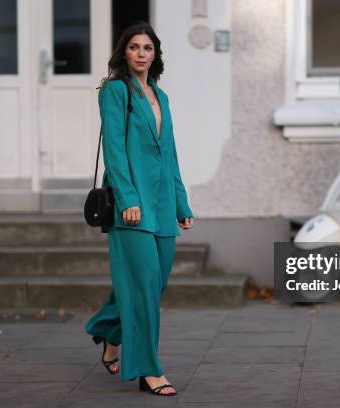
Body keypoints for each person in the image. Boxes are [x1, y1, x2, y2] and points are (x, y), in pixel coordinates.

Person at [84, 21, 194, 397]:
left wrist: (181, 202)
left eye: (148, 47)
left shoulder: (160, 97)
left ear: (155, 54)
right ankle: (149, 369)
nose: (142, 53)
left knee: (154, 284)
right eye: (135, 47)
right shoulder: (116, 91)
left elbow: (171, 155)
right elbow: (114, 150)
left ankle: (106, 329)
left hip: (163, 206)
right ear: (124, 53)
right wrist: (128, 200)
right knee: (144, 288)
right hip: (133, 206)